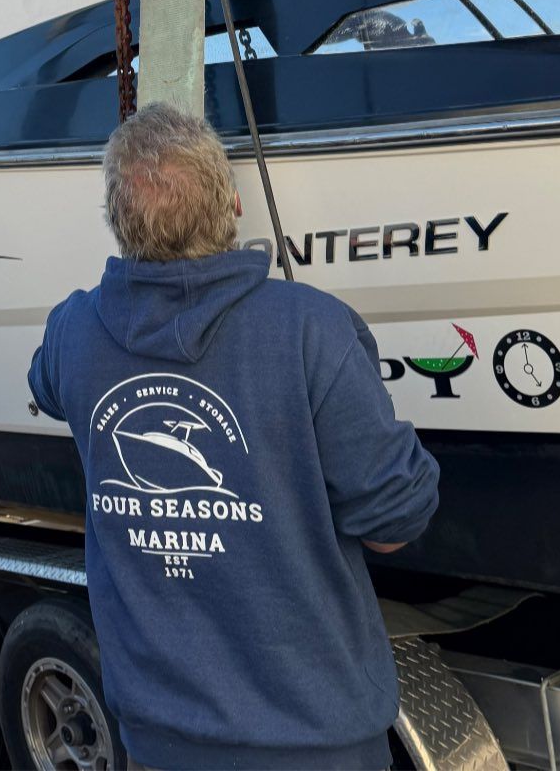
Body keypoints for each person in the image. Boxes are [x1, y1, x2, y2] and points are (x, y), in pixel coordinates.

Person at [28, 102, 440, 771]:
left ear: (115, 219)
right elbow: (394, 523)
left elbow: (47, 387)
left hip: (158, 740)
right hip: (314, 742)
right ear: (234, 206)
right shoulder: (313, 329)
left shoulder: (72, 332)